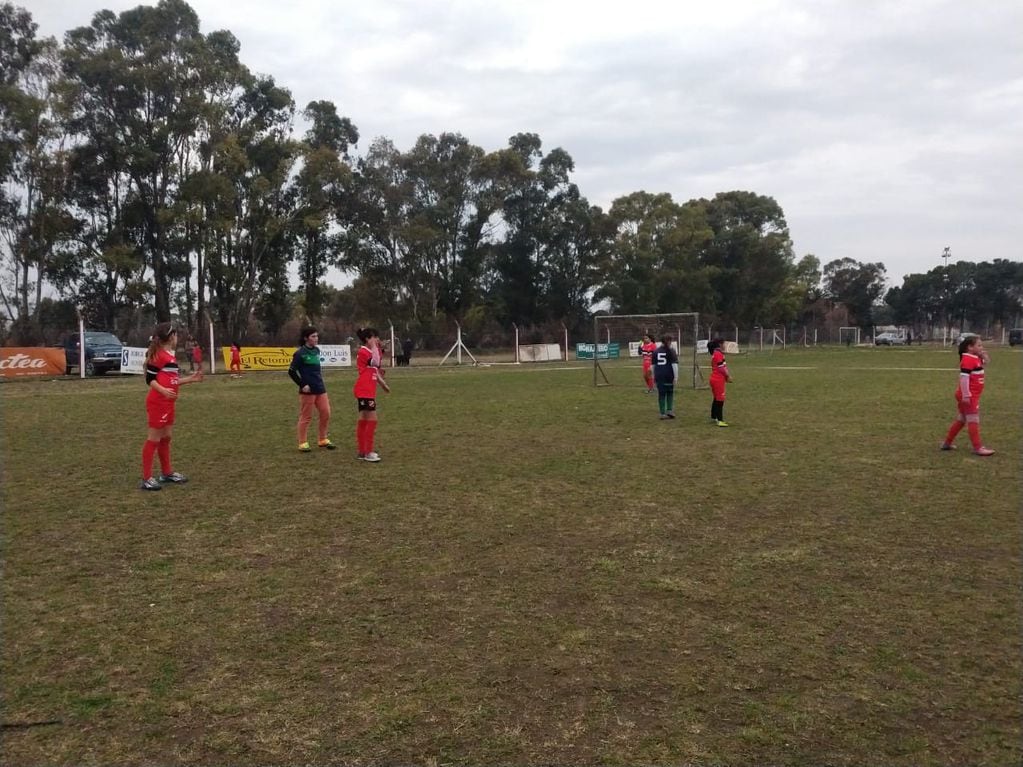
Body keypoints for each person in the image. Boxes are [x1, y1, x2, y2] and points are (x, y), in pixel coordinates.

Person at [139, 322, 203, 491]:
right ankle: (146, 478)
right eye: (176, 335)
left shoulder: (170, 356)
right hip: (158, 402)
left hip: (168, 403)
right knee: (153, 439)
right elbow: (149, 380)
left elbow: (172, 381)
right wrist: (163, 391)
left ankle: (167, 473)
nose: (177, 338)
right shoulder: (159, 355)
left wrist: (191, 380)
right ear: (171, 337)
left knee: (166, 438)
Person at [941, 335, 994, 456]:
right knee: (973, 420)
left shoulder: (974, 357)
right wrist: (966, 395)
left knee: (961, 420)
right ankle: (978, 447)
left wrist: (984, 356)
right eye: (979, 345)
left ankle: (946, 443)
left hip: (970, 395)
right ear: (970, 347)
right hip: (969, 396)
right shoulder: (968, 359)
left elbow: (985, 364)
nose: (981, 347)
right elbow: (964, 378)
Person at [288, 326, 336, 452]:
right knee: (306, 416)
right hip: (307, 390)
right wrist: (302, 384)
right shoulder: (300, 353)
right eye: (313, 336)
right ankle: (302, 442)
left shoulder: (316, 350)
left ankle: (322, 439)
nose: (316, 338)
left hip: (320, 388)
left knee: (326, 413)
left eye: (317, 336)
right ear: (306, 338)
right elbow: (291, 371)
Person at [353, 327, 390, 461]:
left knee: (363, 419)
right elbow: (375, 362)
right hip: (365, 389)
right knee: (372, 419)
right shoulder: (364, 351)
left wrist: (382, 384)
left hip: (367, 389)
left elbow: (374, 369)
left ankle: (362, 451)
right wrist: (375, 346)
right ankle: (368, 452)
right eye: (374, 337)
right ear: (368, 339)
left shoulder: (370, 351)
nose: (377, 340)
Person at [707, 338, 733, 427]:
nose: (725, 345)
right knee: (720, 399)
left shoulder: (716, 353)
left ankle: (714, 416)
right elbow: (721, 368)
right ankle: (720, 420)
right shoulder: (718, 354)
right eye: (724, 343)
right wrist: (728, 376)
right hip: (718, 380)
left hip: (715, 379)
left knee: (716, 398)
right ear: (720, 344)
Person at [652, 333, 678, 420]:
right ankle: (669, 410)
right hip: (669, 374)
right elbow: (674, 365)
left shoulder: (656, 351)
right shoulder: (672, 351)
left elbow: (653, 366)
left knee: (661, 394)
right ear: (669, 341)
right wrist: (676, 376)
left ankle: (662, 413)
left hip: (659, 374)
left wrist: (653, 376)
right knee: (670, 392)